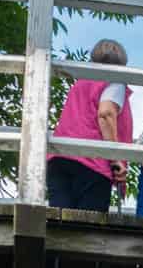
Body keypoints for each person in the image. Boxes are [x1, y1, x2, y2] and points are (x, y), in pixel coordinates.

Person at [45, 39, 132, 214]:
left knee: (60, 222)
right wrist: (115, 159)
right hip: (92, 162)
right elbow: (106, 114)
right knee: (88, 227)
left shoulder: (81, 83)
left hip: (60, 159)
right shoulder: (115, 81)